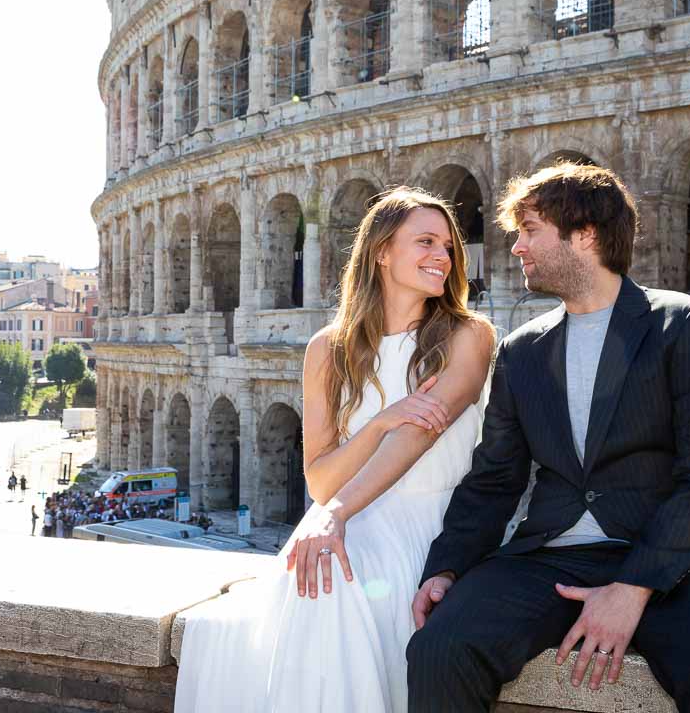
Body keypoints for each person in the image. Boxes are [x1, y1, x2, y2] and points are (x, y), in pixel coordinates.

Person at [406, 163, 690, 712]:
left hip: (683, 561)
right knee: (440, 650)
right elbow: (495, 478)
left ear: (584, 235)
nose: (516, 248)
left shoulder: (686, 324)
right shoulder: (522, 349)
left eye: (530, 230)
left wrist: (633, 588)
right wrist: (447, 566)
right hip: (552, 558)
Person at [175, 187, 494, 712]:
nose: (444, 255)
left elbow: (422, 433)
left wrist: (337, 512)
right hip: (349, 520)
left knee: (337, 591)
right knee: (322, 588)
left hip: (435, 521)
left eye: (449, 246)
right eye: (426, 241)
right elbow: (321, 481)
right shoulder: (328, 348)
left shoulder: (467, 335)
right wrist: (376, 426)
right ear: (381, 251)